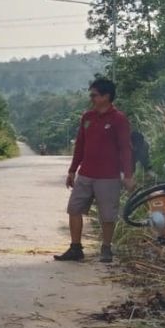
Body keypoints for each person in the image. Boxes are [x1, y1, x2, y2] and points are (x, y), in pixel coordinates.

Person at [55, 77, 134, 264]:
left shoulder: (119, 119)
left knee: (107, 214)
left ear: (107, 96)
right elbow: (80, 145)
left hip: (108, 177)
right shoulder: (87, 117)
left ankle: (106, 248)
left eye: (95, 95)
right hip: (86, 174)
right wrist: (73, 170)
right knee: (74, 209)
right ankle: (75, 248)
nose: (92, 98)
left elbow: (125, 148)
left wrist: (128, 175)